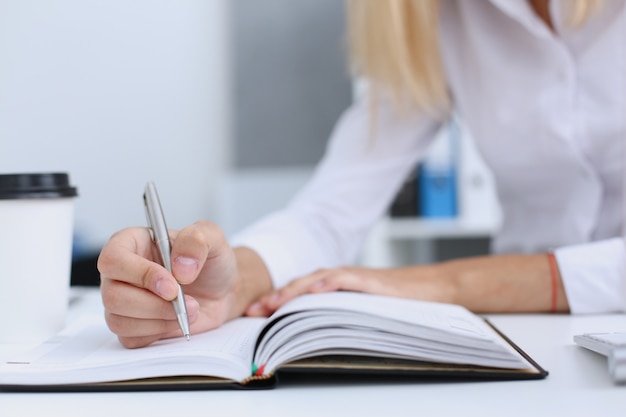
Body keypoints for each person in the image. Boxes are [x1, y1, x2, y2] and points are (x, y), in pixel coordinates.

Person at [98, 0, 625, 348]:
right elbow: (330, 213)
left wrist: (444, 284)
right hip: (523, 339)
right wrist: (232, 284)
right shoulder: (438, 17)